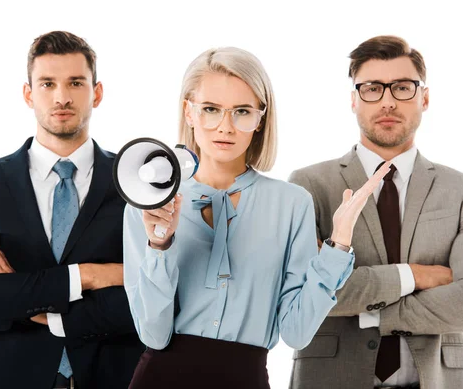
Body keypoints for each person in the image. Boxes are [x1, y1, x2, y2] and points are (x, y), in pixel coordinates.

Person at [122, 46, 390, 389]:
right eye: (210, 110)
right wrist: (159, 245)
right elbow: (153, 334)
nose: (226, 126)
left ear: (261, 118)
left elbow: (296, 332)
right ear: (189, 113)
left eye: (242, 111)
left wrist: (338, 244)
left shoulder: (292, 204)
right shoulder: (147, 203)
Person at [288, 35, 463, 389]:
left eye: (402, 87)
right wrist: (413, 276)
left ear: (424, 98)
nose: (387, 102)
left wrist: (372, 313)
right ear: (353, 100)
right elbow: (304, 296)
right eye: (372, 89)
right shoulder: (308, 186)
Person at [0, 31, 144, 389]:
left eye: (75, 83)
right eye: (47, 83)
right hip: (5, 376)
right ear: (28, 94)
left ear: (96, 93)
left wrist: (18, 292)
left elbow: (149, 299)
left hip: (112, 373)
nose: (61, 97)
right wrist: (89, 276)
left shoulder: (135, 185)